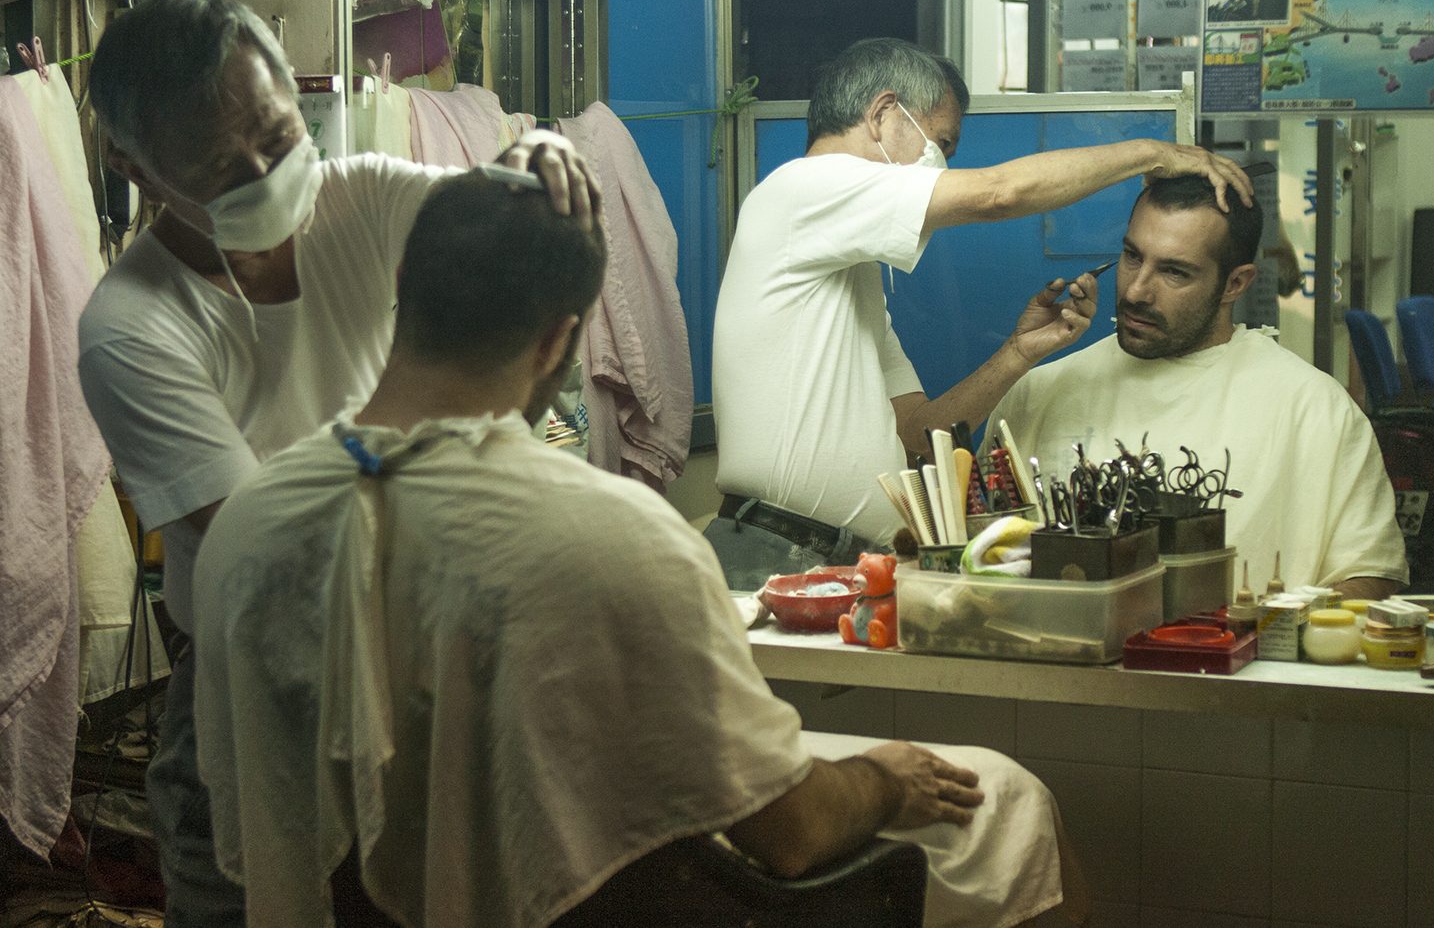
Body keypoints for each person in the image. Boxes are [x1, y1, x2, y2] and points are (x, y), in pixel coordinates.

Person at [191, 172, 1082, 928]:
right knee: (1002, 799)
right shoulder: (615, 534)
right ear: (556, 340)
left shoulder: (252, 524)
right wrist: (883, 780)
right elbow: (794, 831)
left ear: (402, 299)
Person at [77, 0, 596, 925]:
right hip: (252, 691)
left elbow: (514, 247)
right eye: (218, 168)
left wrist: (537, 173)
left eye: (277, 139)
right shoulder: (131, 326)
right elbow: (273, 545)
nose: (266, 176)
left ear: (292, 93)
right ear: (133, 166)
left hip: (418, 652)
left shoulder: (358, 196)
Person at [709, 38, 1252, 589]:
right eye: (941, 143)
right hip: (775, 551)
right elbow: (1000, 193)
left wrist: (1019, 353)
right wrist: (1152, 153)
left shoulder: (849, 276)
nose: (943, 164)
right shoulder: (803, 189)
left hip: (845, 566)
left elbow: (920, 437)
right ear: (882, 114)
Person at [990, 175, 1408, 600]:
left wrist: (1260, 640)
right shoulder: (1040, 393)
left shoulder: (1315, 409)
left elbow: (1369, 576)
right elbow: (977, 559)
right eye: (1133, 257)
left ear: (1236, 283)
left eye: (1174, 271)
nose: (1136, 291)